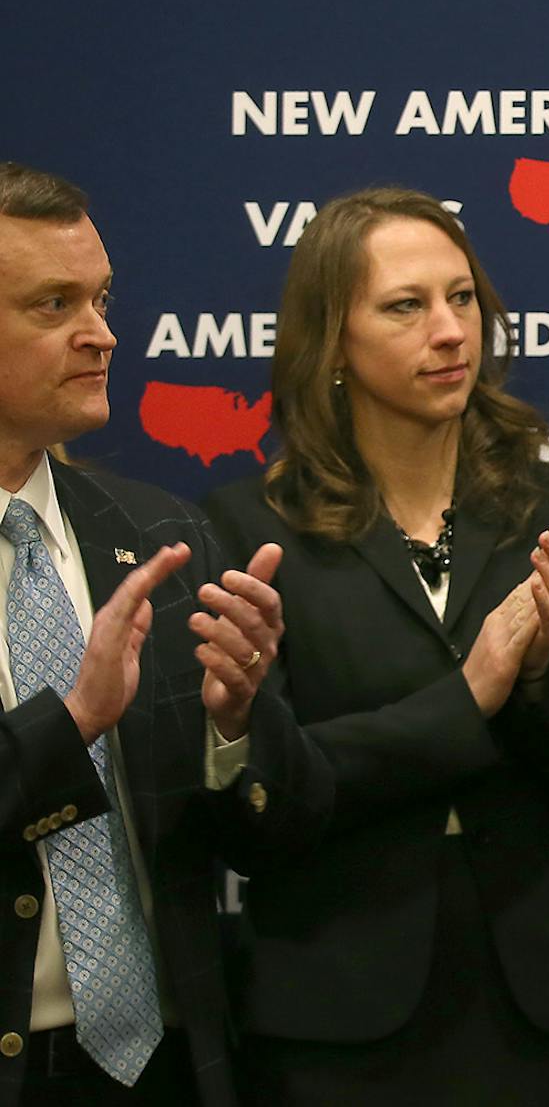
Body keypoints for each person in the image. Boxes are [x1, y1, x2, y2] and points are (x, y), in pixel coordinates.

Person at [202, 189, 549, 1105]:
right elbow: (265, 807)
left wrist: (539, 676)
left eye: (462, 297)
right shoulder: (251, 528)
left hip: (535, 1014)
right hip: (335, 1014)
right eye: (406, 306)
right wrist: (468, 695)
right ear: (332, 342)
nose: (448, 331)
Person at [0, 162, 327, 1105]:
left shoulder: (160, 534)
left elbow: (280, 836)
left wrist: (237, 722)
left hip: (168, 1070)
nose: (101, 333)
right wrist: (74, 721)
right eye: (54, 304)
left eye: (101, 298)